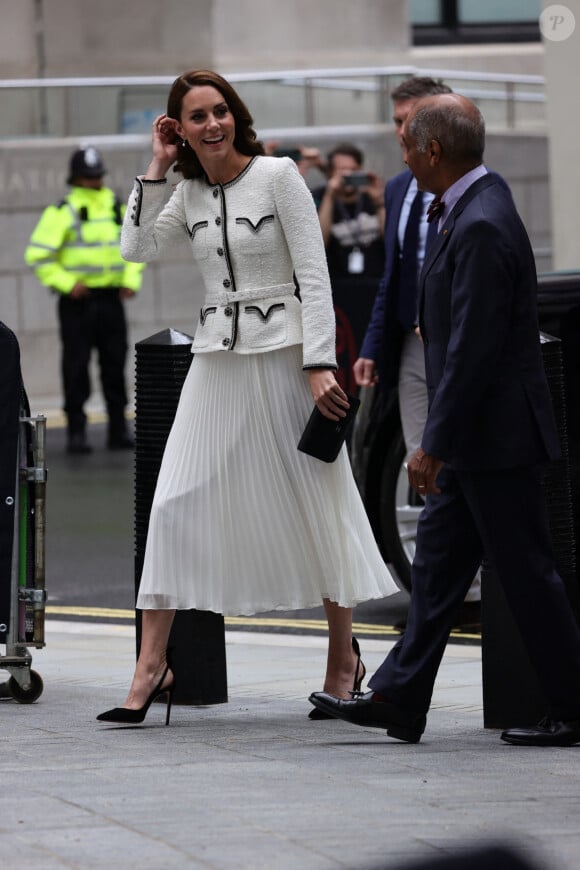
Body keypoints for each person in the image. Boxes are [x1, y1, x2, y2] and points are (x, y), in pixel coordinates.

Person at [96, 69, 398, 725]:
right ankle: (152, 666)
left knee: (317, 501)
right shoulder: (185, 192)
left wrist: (321, 362)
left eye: (220, 111)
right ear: (181, 128)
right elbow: (134, 247)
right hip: (216, 359)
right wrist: (155, 164)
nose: (212, 125)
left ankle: (343, 660)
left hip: (289, 356)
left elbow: (314, 274)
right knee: (174, 501)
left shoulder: (279, 175)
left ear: (236, 115)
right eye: (196, 116)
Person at [310, 93, 580, 746]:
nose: (401, 154)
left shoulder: (481, 221)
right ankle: (402, 699)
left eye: (407, 143)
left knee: (527, 576)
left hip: (495, 440)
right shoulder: (471, 205)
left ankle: (574, 706)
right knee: (435, 571)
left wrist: (432, 444)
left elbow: (473, 352)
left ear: (434, 151)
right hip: (478, 440)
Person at [354, 76, 481, 631]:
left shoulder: (472, 190)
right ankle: (450, 590)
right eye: (397, 119)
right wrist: (373, 346)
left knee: (464, 461)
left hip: (455, 345)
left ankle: (473, 588)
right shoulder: (399, 190)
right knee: (421, 463)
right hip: (409, 346)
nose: (403, 128)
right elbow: (393, 276)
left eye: (413, 118)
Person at [25, 147, 145, 454]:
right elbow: (38, 255)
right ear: (76, 177)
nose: (94, 181)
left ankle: (118, 429)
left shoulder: (117, 207)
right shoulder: (62, 211)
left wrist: (131, 281)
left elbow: (134, 248)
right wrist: (67, 283)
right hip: (77, 302)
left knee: (114, 365)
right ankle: (76, 432)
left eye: (97, 176)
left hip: (110, 299)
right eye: (88, 177)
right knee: (76, 367)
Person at [312, 143, 385, 394]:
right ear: (331, 173)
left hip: (373, 291)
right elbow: (317, 243)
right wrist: (331, 197)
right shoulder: (321, 196)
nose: (348, 179)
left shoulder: (372, 198)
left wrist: (381, 204)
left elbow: (392, 243)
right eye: (342, 172)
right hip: (339, 297)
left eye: (353, 171)